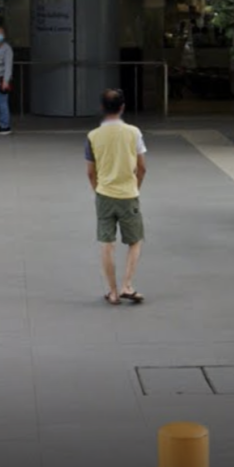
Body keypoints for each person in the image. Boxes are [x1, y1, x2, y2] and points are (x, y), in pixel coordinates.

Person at [85, 89, 148, 305]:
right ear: (122, 107)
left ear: (102, 108)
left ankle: (111, 292)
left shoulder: (93, 136)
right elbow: (142, 167)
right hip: (128, 194)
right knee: (135, 240)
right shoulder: (134, 132)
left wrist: (98, 190)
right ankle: (127, 285)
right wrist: (135, 187)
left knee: (106, 243)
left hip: (104, 194)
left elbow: (90, 172)